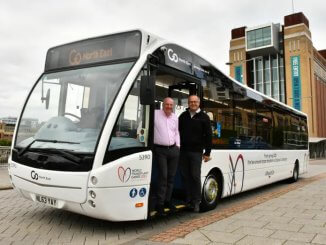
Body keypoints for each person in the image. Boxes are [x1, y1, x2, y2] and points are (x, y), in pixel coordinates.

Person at [179, 95, 212, 212]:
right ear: (188, 103)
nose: (193, 103)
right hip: (183, 151)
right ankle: (188, 200)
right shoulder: (183, 116)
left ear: (199, 103)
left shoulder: (204, 117)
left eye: (195, 102)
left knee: (195, 176)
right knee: (185, 176)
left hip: (196, 153)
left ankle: (196, 201)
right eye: (191, 102)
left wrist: (207, 152)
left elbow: (209, 136)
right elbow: (177, 132)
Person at [154, 97, 180, 215]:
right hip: (160, 150)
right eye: (167, 104)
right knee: (163, 177)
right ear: (163, 104)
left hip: (173, 150)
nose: (169, 106)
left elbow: (176, 132)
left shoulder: (175, 117)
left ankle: (167, 201)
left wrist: (178, 146)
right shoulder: (155, 114)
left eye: (171, 105)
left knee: (171, 177)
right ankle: (159, 204)